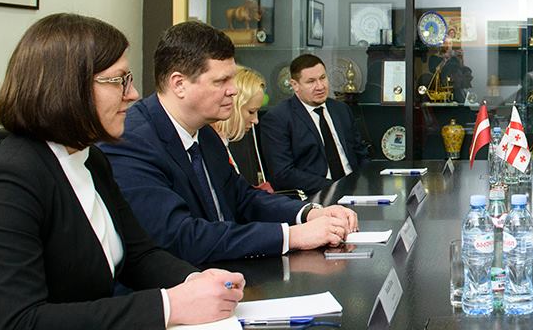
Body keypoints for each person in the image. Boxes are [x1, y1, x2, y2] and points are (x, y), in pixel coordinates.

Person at [0, 14, 243, 330]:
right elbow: (22, 329)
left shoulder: (91, 160)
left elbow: (140, 255)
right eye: (119, 81)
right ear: (68, 87)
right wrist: (169, 305)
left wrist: (197, 282)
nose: (133, 94)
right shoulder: (9, 181)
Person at [102, 21, 356, 265]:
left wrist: (310, 212)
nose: (233, 90)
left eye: (232, 79)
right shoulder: (131, 141)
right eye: (221, 81)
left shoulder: (205, 133)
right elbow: (181, 237)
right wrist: (292, 236)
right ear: (179, 84)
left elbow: (243, 198)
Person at [258, 53, 369, 194]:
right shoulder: (278, 119)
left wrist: (368, 181)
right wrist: (335, 187)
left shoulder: (341, 110)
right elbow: (283, 174)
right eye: (311, 82)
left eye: (323, 78)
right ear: (295, 85)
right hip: (314, 194)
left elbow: (360, 154)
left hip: (355, 190)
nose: (320, 86)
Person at [212, 66, 274, 192]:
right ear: (233, 105)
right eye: (251, 112)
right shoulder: (209, 146)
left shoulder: (222, 141)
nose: (256, 120)